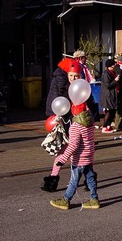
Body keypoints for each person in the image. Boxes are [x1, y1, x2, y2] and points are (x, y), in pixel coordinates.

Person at [49, 102, 99, 210]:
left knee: (74, 180)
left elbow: (73, 145)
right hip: (89, 155)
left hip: (79, 158)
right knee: (90, 178)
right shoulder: (90, 123)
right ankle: (94, 199)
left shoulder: (75, 127)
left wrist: (63, 158)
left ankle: (66, 200)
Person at [41, 58, 81, 192]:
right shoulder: (63, 83)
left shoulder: (78, 86)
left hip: (77, 123)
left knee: (80, 153)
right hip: (65, 120)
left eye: (76, 76)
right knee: (65, 150)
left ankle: (87, 179)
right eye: (71, 75)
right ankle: (53, 178)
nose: (74, 78)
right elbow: (61, 99)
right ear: (67, 73)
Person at [99, 59, 119, 133]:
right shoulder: (106, 73)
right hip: (107, 96)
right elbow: (108, 85)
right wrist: (115, 80)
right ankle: (104, 127)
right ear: (110, 66)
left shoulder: (112, 72)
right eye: (114, 64)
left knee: (113, 111)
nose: (115, 65)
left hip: (112, 95)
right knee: (108, 112)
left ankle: (108, 126)